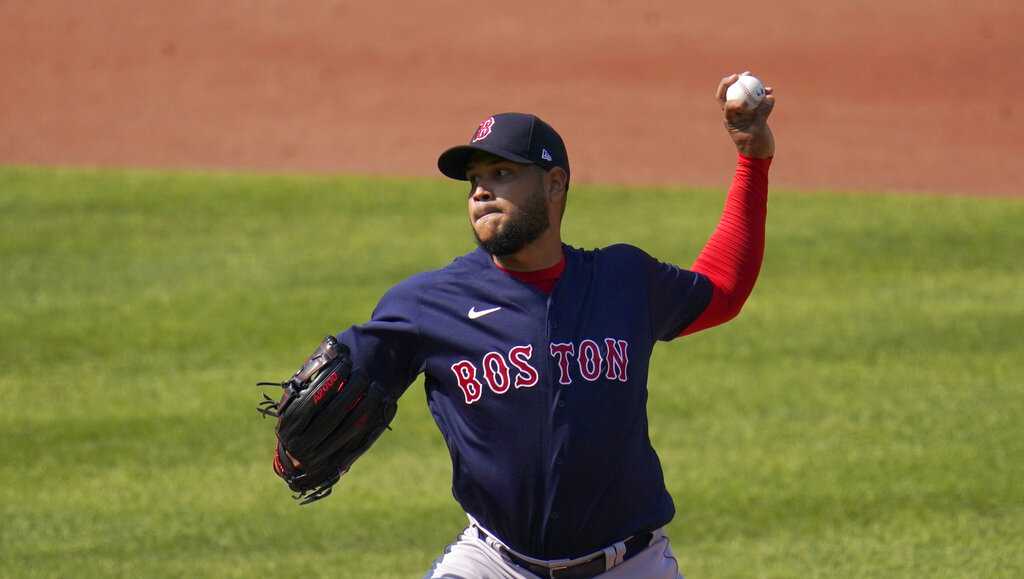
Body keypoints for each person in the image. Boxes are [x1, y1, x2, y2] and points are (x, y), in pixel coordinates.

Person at [334, 73, 774, 578]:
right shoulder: (429, 304)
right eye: (475, 180)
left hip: (630, 565)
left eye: (501, 173)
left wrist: (753, 159)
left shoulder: (622, 280)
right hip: (494, 563)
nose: (481, 192)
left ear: (555, 184)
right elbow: (338, 383)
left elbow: (721, 289)